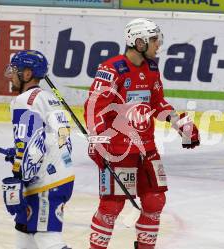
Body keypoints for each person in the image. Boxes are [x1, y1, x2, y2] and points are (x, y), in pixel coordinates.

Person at [84, 18, 200, 249]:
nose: (158, 45)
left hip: (147, 148)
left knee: (155, 201)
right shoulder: (111, 70)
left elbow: (157, 103)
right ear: (139, 42)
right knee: (112, 206)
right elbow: (93, 109)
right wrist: (97, 143)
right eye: (154, 40)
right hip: (118, 150)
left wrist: (180, 125)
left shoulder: (152, 68)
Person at [2, 50, 75, 249]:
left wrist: (18, 173)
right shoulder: (50, 98)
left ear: (27, 74)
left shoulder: (24, 101)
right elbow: (47, 138)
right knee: (24, 232)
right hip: (60, 175)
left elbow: (28, 146)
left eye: (15, 70)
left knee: (47, 239)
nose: (11, 75)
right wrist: (17, 153)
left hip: (45, 183)